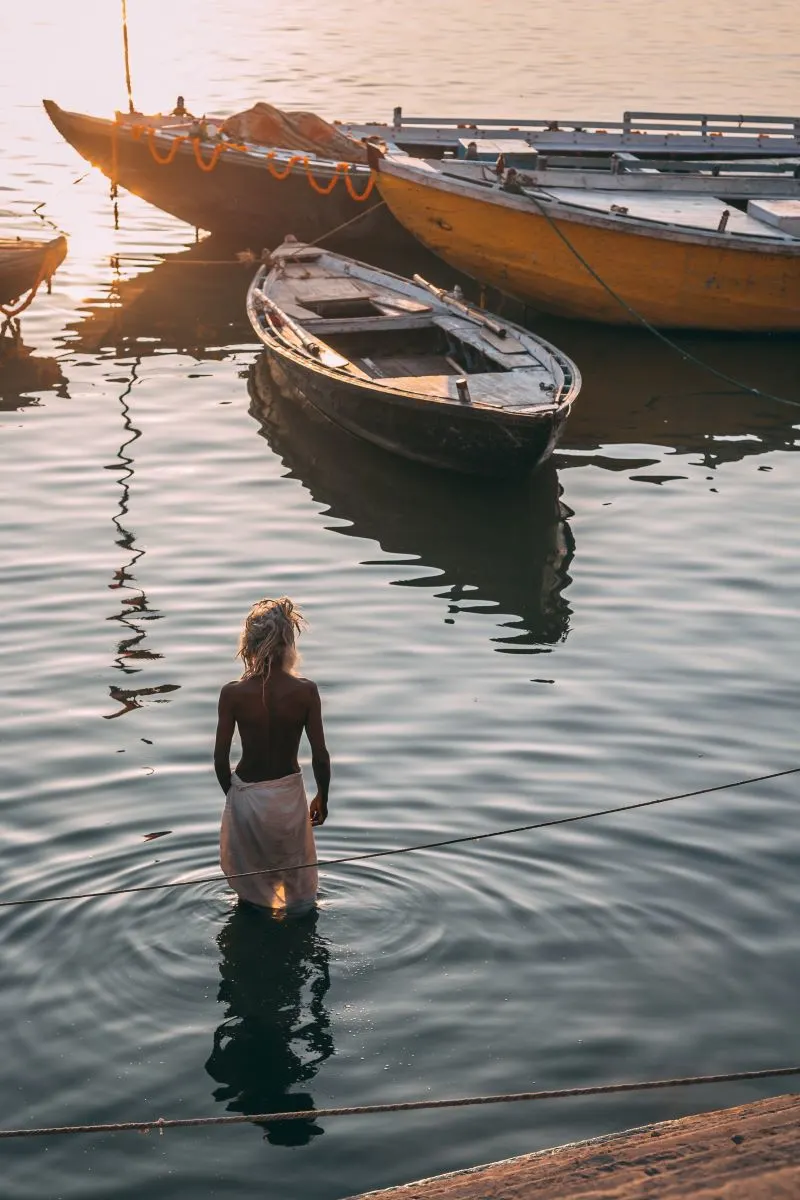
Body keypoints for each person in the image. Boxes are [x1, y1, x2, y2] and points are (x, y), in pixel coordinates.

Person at [214, 597, 330, 912]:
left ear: (249, 643)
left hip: (247, 795)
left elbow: (220, 759)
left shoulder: (233, 694)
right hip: (288, 797)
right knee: (296, 886)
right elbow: (320, 755)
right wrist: (323, 796)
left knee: (252, 888)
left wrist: (236, 796)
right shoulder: (306, 691)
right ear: (288, 643)